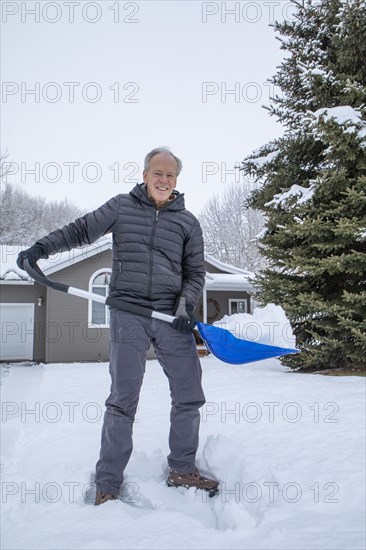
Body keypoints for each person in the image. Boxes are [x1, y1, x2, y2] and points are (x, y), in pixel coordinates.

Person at [17, 147, 219, 505]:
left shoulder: (188, 222)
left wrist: (186, 305)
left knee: (189, 395)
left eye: (171, 175)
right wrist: (40, 248)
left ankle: (182, 468)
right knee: (123, 400)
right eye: (158, 173)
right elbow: (81, 229)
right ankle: (108, 483)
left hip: (171, 316)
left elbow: (195, 273)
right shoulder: (122, 207)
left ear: (177, 182)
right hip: (128, 312)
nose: (164, 180)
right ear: (144, 175)